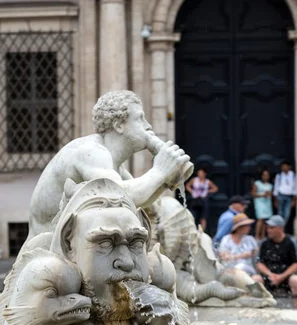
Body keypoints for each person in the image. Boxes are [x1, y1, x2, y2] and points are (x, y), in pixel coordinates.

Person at [27, 90, 193, 242]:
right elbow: (120, 196)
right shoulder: (91, 151)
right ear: (119, 125)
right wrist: (159, 171)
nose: (148, 126)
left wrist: (165, 179)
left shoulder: (114, 165)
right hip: (46, 253)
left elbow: (138, 201)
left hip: (70, 246)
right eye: (140, 119)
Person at [255, 215, 297, 309]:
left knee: (296, 280)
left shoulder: (290, 242)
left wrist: (282, 276)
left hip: (285, 276)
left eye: (272, 228)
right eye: (268, 228)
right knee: (255, 279)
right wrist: (270, 274)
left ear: (280, 228)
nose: (268, 230)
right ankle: (257, 309)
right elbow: (259, 263)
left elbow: (296, 264)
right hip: (269, 275)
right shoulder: (264, 243)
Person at [218, 213, 258, 277]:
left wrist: (252, 252)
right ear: (239, 227)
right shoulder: (226, 239)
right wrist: (241, 256)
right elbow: (224, 257)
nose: (249, 228)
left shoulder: (250, 239)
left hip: (248, 272)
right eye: (247, 225)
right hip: (231, 272)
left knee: (257, 279)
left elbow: (256, 253)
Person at [251, 168, 273, 240]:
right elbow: (253, 193)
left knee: (265, 220)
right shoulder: (257, 183)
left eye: (267, 175)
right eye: (264, 175)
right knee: (260, 219)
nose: (265, 177)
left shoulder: (270, 185)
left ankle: (263, 235)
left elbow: (271, 194)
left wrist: (269, 194)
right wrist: (263, 195)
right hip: (259, 202)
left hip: (267, 203)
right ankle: (257, 235)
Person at [273, 161, 297, 226]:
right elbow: (276, 187)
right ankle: (280, 228)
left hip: (289, 196)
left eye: (285, 166)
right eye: (283, 166)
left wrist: (294, 199)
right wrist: (275, 199)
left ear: (289, 167)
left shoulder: (293, 175)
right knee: (280, 213)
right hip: (280, 195)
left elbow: (295, 187)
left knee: (287, 213)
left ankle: (282, 227)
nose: (284, 168)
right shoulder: (279, 176)